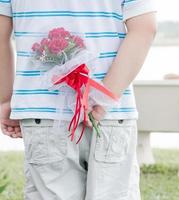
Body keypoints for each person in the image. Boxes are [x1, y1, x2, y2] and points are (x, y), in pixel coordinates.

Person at [0, 0, 157, 199]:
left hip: (43, 109)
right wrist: (104, 96)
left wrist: (6, 99)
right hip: (110, 114)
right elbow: (145, 28)